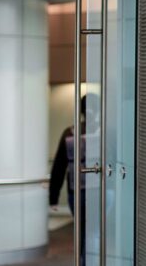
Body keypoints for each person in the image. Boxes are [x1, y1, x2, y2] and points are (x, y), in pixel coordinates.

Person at [49, 93, 99, 266]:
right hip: (99, 190)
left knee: (82, 230)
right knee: (93, 231)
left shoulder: (69, 133)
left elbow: (59, 167)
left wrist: (53, 198)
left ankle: (83, 261)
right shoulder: (104, 132)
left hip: (75, 190)